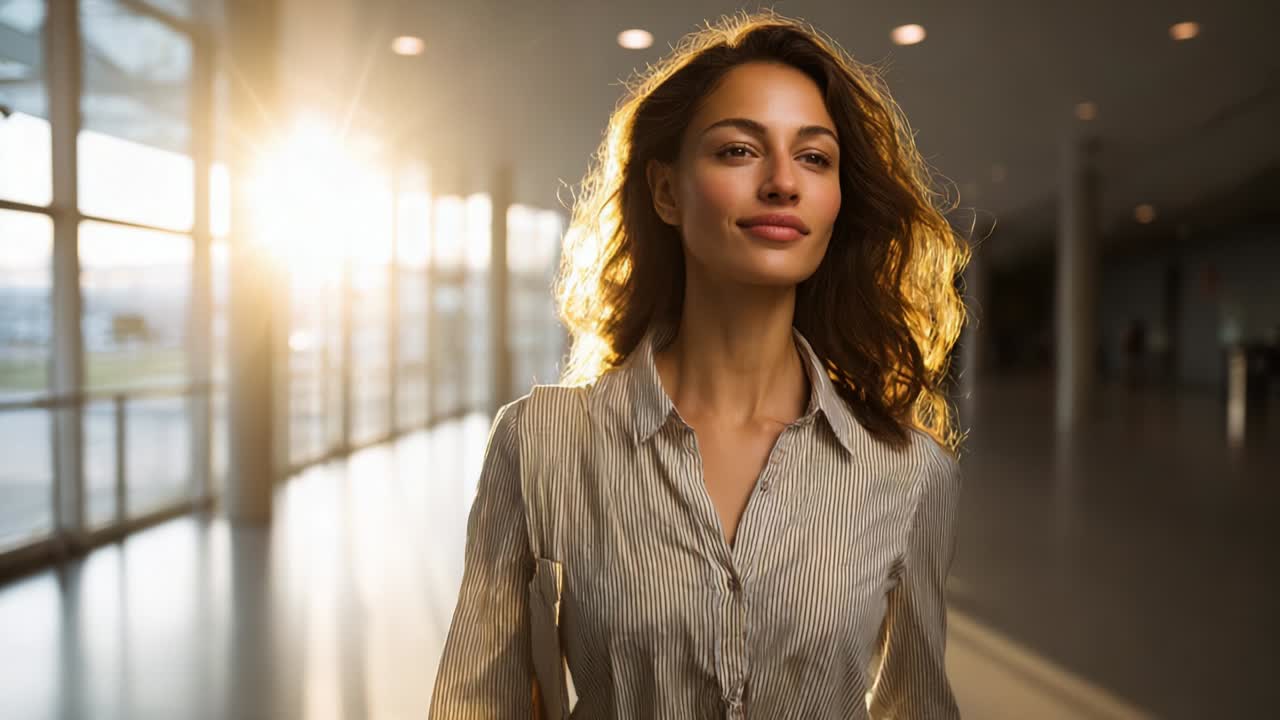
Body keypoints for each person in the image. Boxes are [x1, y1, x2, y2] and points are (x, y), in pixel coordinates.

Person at [430, 12, 969, 719]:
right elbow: (476, 705)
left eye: (814, 157)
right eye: (739, 150)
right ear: (666, 193)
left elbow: (917, 708)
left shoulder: (905, 471)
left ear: (838, 198)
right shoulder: (541, 445)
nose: (782, 182)